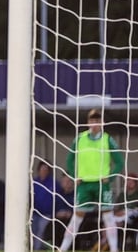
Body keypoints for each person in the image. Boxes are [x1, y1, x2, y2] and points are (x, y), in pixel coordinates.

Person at [59, 108, 125, 252]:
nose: (95, 123)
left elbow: (120, 162)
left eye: (98, 120)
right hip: (84, 184)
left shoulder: (108, 139)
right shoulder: (80, 138)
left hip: (102, 184)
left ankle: (114, 249)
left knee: (108, 217)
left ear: (102, 122)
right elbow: (69, 159)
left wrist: (111, 177)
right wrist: (73, 176)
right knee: (76, 219)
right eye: (92, 120)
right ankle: (62, 248)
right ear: (88, 122)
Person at [32, 160, 58, 250]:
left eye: (46, 170)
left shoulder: (53, 183)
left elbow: (58, 198)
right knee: (33, 232)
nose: (44, 171)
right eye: (42, 169)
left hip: (47, 214)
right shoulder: (34, 182)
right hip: (34, 213)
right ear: (39, 170)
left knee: (41, 232)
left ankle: (37, 249)